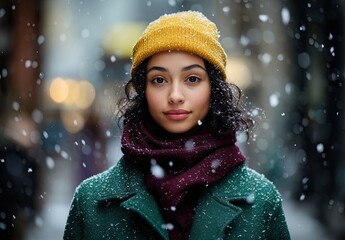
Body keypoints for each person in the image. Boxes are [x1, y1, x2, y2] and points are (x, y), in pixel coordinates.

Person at [63, 11, 290, 240]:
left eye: (192, 79)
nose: (175, 95)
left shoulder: (261, 201)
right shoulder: (92, 201)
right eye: (159, 80)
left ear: (213, 89)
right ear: (143, 91)